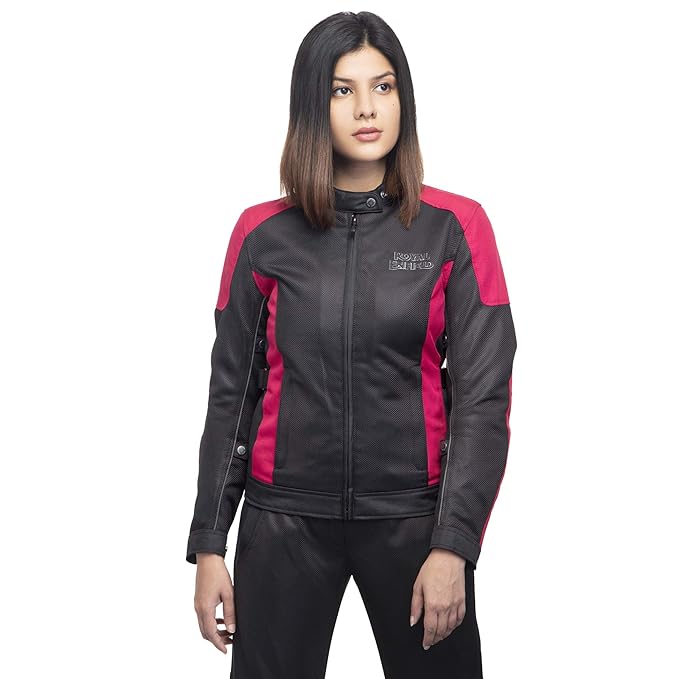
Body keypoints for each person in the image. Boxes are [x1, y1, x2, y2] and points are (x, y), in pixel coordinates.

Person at [186, 10, 517, 679]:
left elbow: (483, 399)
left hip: (413, 522)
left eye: (383, 86)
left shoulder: (455, 228)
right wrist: (210, 543)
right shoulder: (261, 235)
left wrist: (454, 544)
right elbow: (232, 395)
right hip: (283, 521)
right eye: (342, 90)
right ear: (313, 105)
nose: (367, 108)